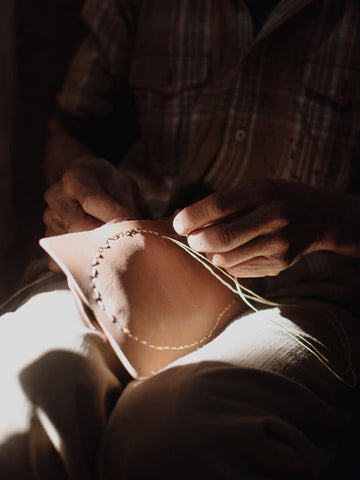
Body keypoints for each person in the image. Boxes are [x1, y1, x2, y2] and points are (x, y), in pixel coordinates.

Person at [1, 0, 359, 478]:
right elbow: (70, 130)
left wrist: (332, 221)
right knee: (21, 393)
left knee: (169, 435)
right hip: (124, 264)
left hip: (304, 300)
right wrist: (77, 182)